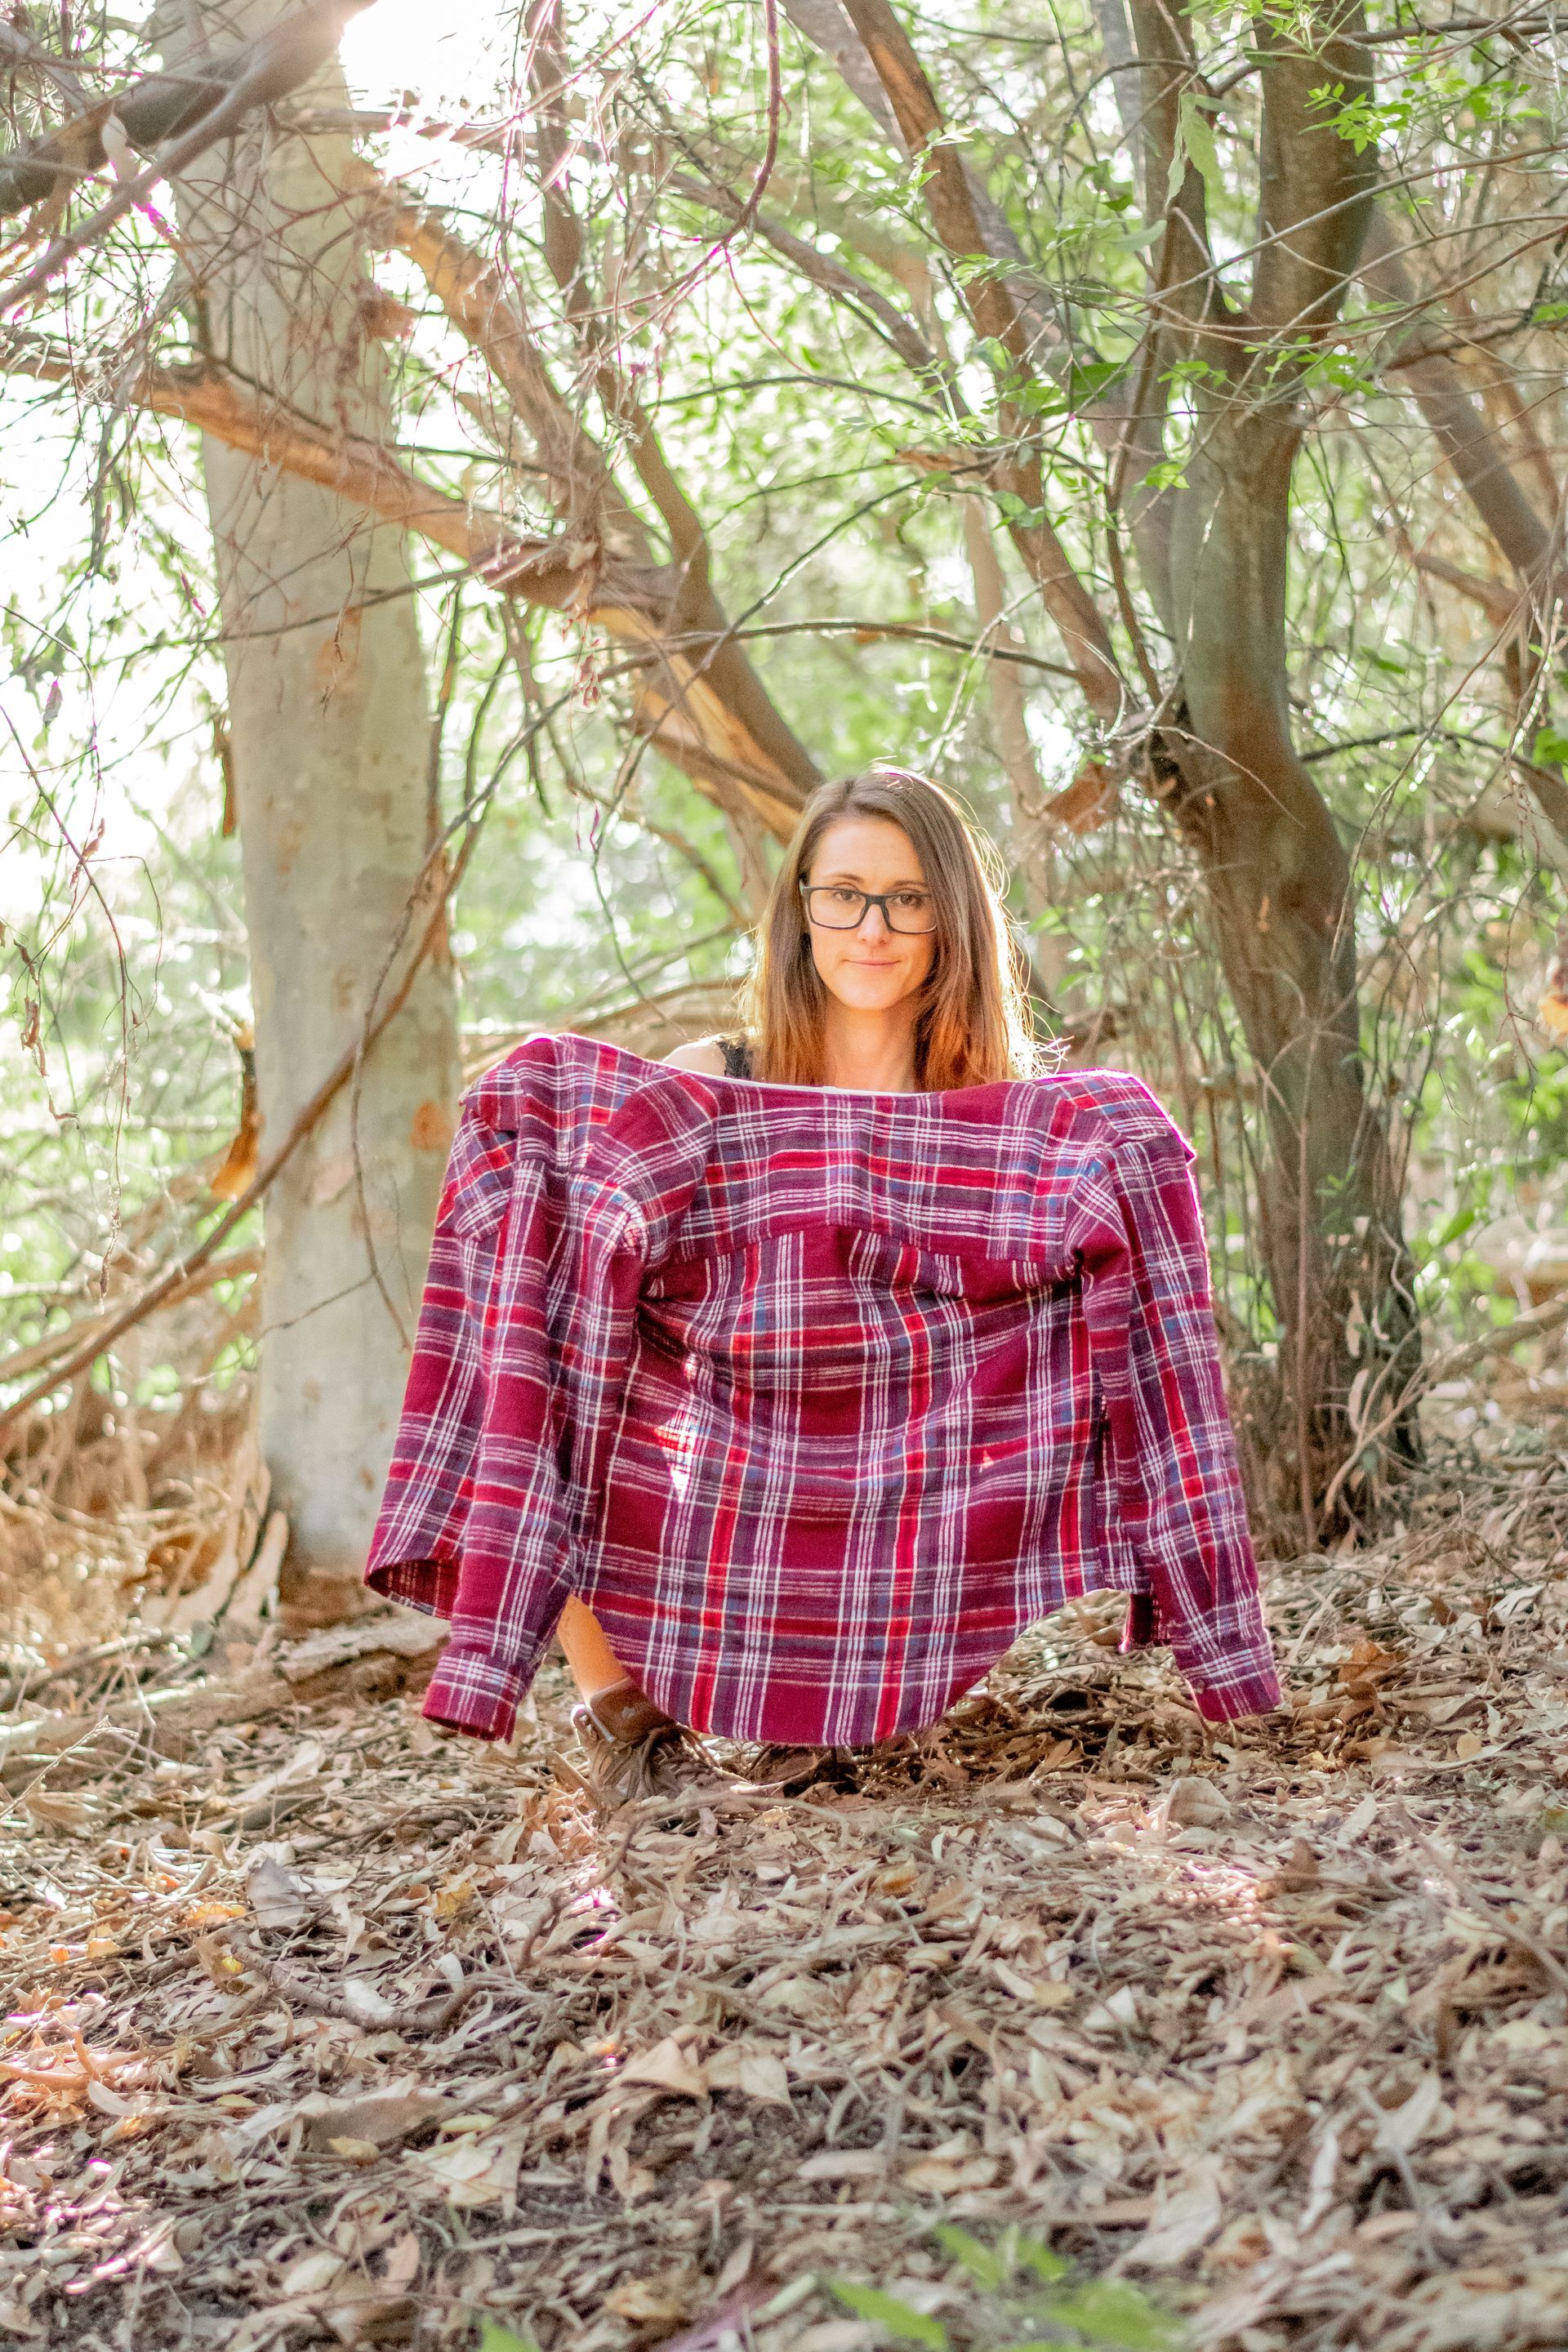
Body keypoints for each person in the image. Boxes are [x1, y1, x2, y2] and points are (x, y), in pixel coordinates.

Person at [557, 763, 1042, 1790]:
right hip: (728, 1457)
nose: (874, 927)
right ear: (803, 910)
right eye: (845, 894)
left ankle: (859, 1694)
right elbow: (594, 1261)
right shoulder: (711, 1080)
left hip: (902, 1483)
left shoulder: (992, 1114)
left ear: (950, 918)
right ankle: (624, 1726)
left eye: (908, 899)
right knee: (545, 1339)